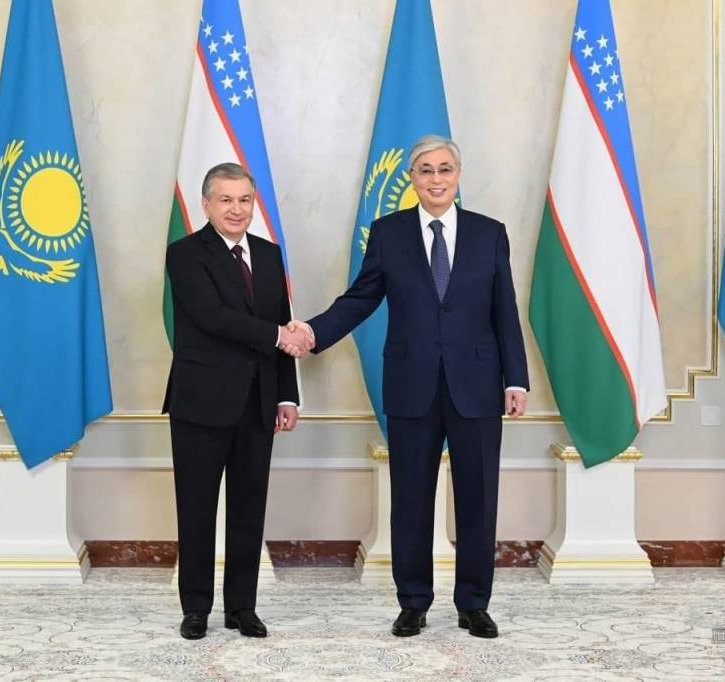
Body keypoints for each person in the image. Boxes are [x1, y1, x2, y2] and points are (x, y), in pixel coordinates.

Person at [289, 135, 528, 639]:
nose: (436, 179)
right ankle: (413, 602)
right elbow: (360, 299)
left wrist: (517, 379)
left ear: (458, 175)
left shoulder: (489, 234)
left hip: (477, 384)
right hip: (410, 384)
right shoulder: (389, 233)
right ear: (412, 178)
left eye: (445, 169)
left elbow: (504, 309)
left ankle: (474, 604)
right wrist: (313, 332)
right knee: (411, 499)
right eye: (425, 170)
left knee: (478, 498)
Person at [163, 162, 312, 640]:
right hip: (200, 403)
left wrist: (287, 395)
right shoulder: (184, 254)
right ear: (206, 205)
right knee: (197, 508)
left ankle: (242, 607)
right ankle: (196, 608)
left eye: (244, 200)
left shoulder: (268, 254)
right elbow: (213, 316)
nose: (236, 209)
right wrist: (279, 336)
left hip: (258, 402)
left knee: (249, 506)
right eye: (225, 200)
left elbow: (281, 317)